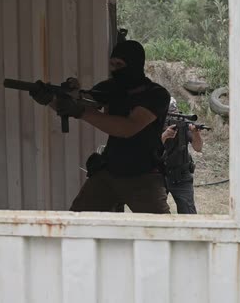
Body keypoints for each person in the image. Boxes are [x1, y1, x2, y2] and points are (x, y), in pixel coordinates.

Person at [29, 40, 171, 214]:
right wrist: (51, 99)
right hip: (110, 171)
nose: (114, 69)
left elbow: (128, 128)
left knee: (160, 232)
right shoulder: (110, 88)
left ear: (135, 64)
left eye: (120, 64)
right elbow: (79, 103)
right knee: (78, 223)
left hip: (143, 175)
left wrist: (80, 111)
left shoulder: (156, 94)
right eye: (112, 64)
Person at [161, 99, 203, 214]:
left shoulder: (183, 124)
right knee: (155, 214)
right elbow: (148, 148)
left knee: (188, 214)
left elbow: (198, 148)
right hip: (158, 175)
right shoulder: (153, 123)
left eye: (175, 112)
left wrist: (196, 133)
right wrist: (164, 136)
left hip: (181, 175)